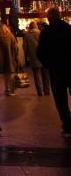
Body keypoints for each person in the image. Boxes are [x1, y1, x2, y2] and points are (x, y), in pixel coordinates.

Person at [37, 8, 71, 137]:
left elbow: (40, 52)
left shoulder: (46, 33)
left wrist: (48, 64)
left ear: (49, 19)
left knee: (60, 100)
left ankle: (67, 126)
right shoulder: (69, 29)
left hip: (56, 71)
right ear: (60, 16)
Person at [24, 21, 50, 96]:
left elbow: (25, 48)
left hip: (33, 58)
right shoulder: (42, 33)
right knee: (46, 75)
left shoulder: (27, 36)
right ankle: (47, 90)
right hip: (44, 57)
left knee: (36, 75)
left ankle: (40, 92)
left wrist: (27, 56)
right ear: (36, 26)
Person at [0, 21, 20, 96]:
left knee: (5, 75)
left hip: (3, 60)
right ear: (7, 29)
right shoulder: (11, 36)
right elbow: (16, 47)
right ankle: (12, 90)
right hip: (11, 59)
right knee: (11, 75)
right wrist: (16, 56)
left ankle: (7, 89)